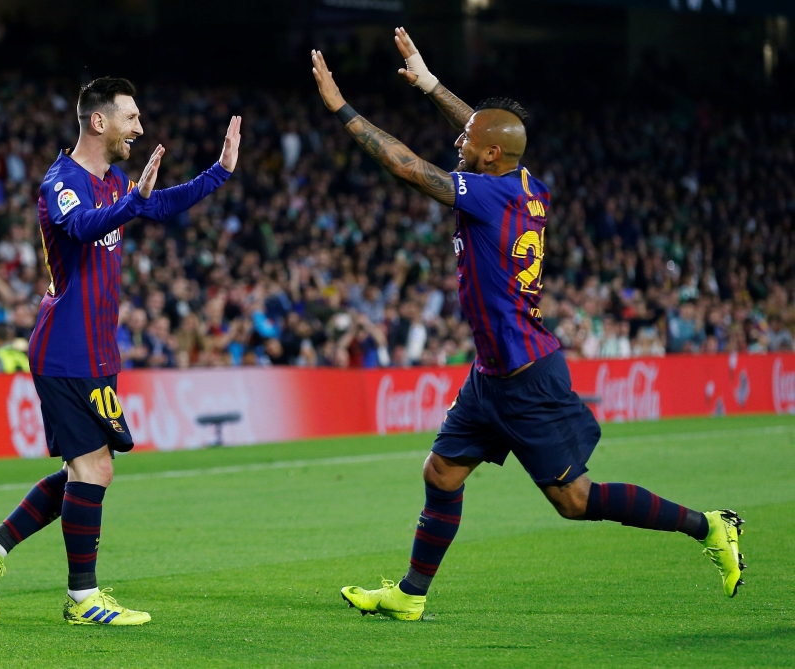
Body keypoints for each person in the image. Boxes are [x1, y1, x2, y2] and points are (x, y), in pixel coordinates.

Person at [311, 29, 744, 621]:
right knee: (442, 472)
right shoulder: (524, 185)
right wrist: (431, 84)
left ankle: (710, 525)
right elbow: (488, 132)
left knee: (574, 499)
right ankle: (410, 595)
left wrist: (341, 108)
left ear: (490, 156)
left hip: (525, 375)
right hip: (491, 374)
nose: (458, 141)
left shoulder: (486, 195)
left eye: (468, 140)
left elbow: (407, 166)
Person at [0, 76, 241, 626]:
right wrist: (133, 201)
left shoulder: (113, 181)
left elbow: (158, 205)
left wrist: (220, 172)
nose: (139, 127)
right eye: (130, 117)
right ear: (98, 121)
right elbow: (84, 228)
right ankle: (82, 599)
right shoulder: (61, 183)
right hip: (64, 350)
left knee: (88, 470)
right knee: (93, 469)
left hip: (96, 352)